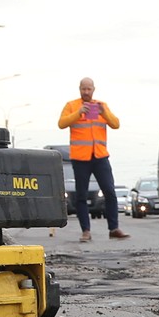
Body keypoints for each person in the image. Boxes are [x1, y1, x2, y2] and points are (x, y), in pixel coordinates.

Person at [57, 78, 125, 241]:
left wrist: (104, 113)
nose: (86, 92)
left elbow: (116, 124)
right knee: (81, 195)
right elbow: (61, 123)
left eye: (89, 89)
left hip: (100, 156)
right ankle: (85, 231)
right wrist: (79, 112)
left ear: (93, 89)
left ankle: (114, 228)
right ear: (79, 89)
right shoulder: (72, 105)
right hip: (80, 158)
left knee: (109, 191)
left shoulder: (102, 106)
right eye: (83, 89)